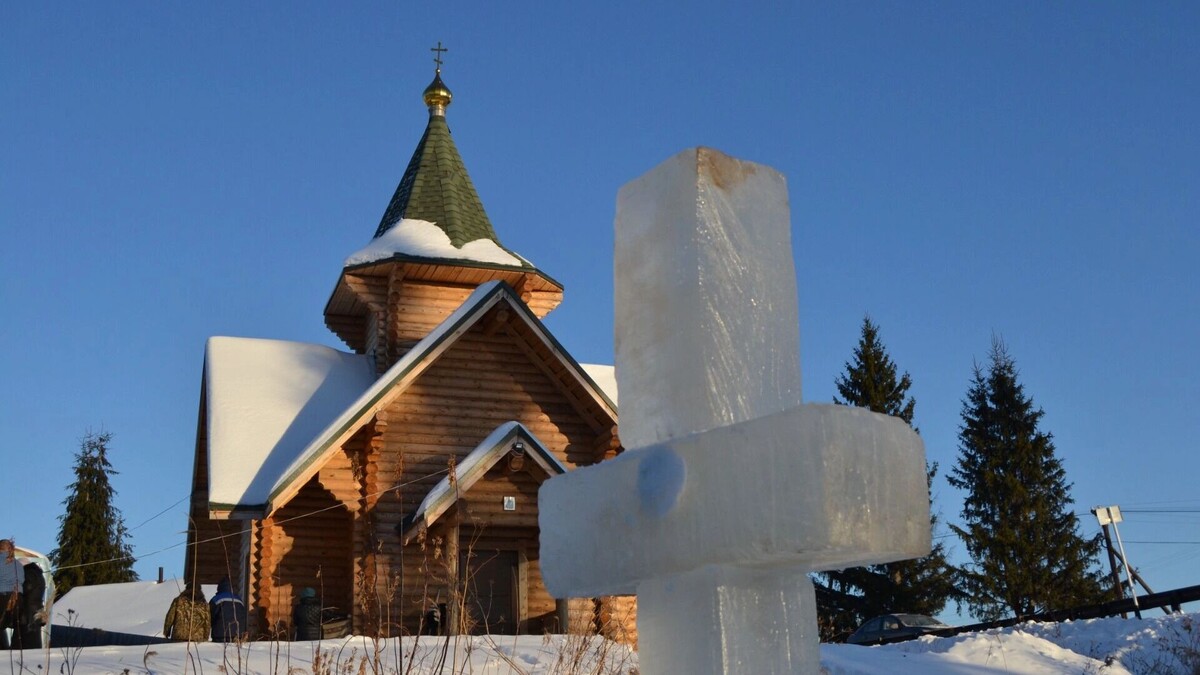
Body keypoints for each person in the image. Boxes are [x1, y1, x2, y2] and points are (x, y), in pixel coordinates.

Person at [0, 540, 24, 650]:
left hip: (3, 597)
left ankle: (3, 649)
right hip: (18, 598)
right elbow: (21, 580)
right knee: (15, 625)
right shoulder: (18, 564)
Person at [17, 559, 46, 649]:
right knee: (34, 642)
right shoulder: (39, 574)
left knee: (23, 644)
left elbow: (26, 588)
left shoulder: (28, 573)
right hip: (36, 612)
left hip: (27, 614)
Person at [209, 576, 247, 642]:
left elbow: (209, 617)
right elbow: (243, 616)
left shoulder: (216, 599)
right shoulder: (239, 600)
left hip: (220, 635)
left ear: (219, 588)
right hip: (238, 636)